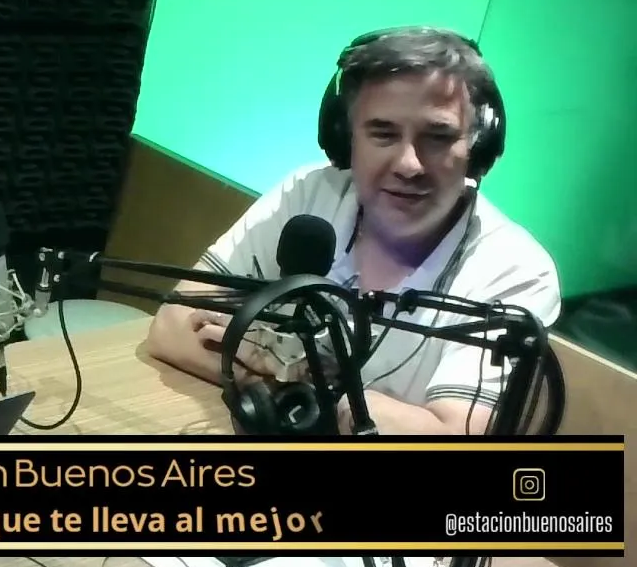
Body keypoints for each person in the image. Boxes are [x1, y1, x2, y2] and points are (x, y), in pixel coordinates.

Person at [145, 27, 561, 436]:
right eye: (383, 134)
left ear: (478, 145)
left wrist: (290, 374)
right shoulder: (310, 194)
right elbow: (172, 326)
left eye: (437, 137)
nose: (409, 165)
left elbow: (449, 436)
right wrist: (297, 391)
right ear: (345, 139)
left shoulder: (515, 271)